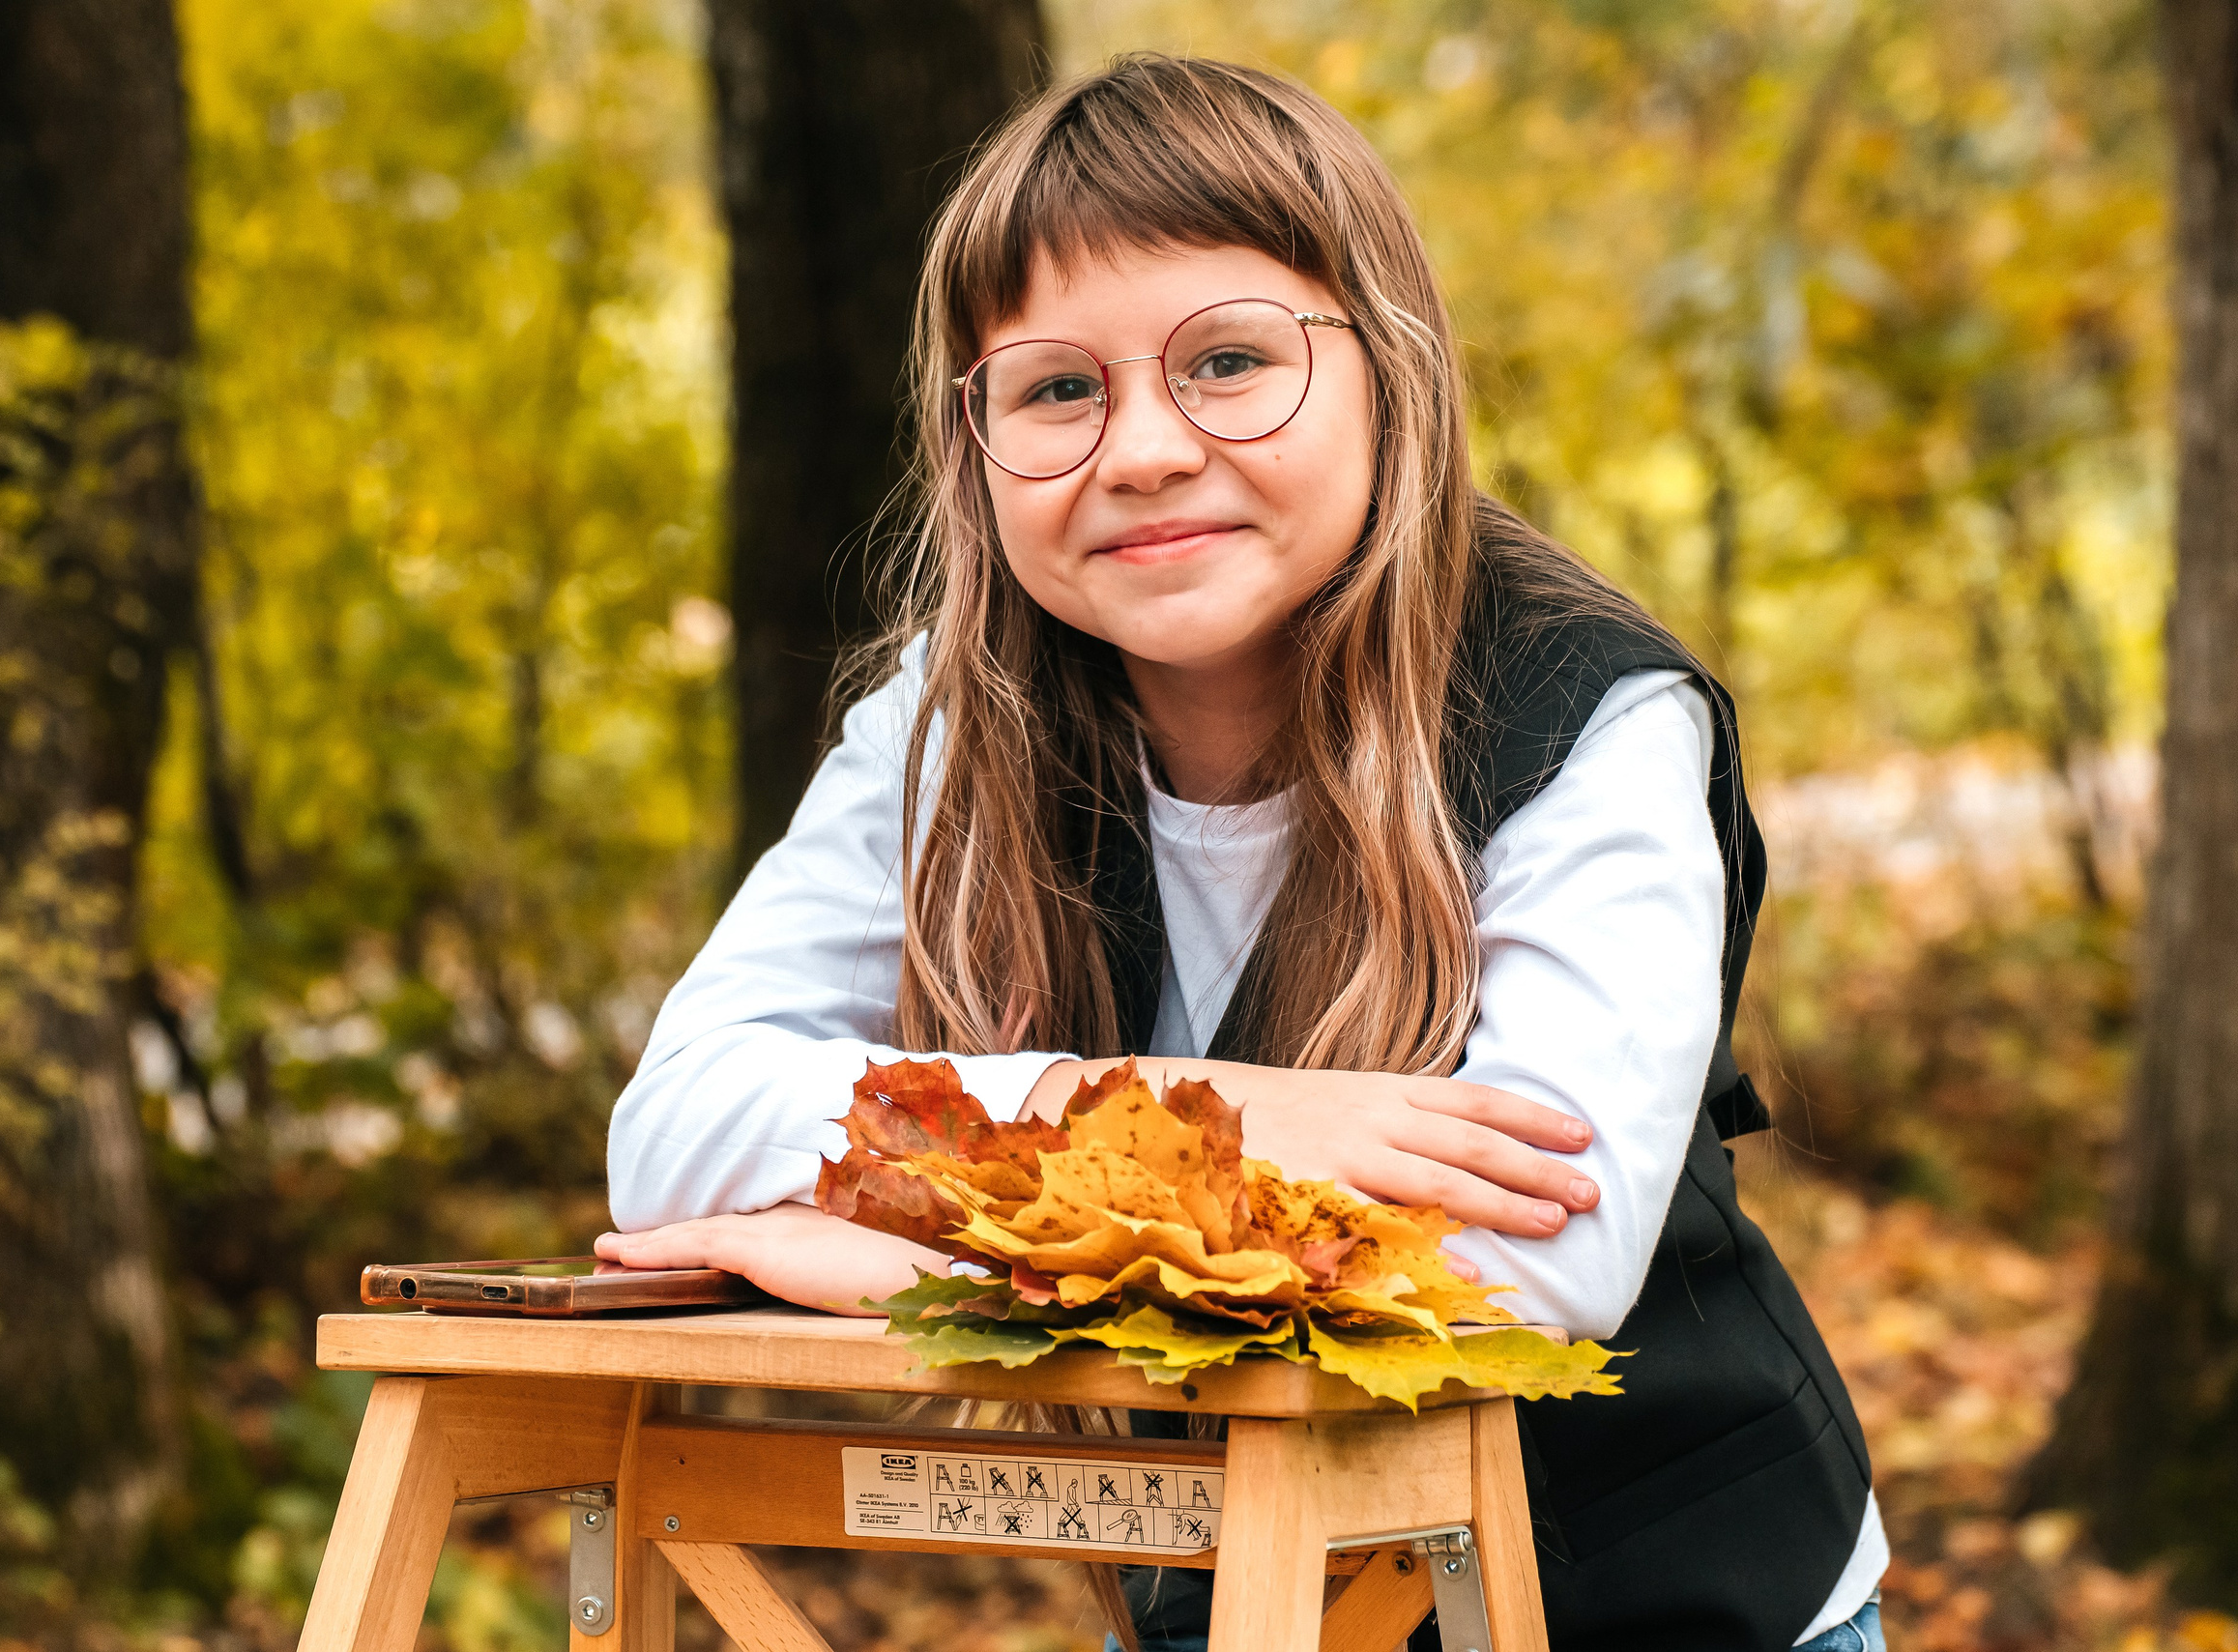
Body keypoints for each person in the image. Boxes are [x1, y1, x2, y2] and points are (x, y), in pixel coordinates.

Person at [595, 53, 1884, 1652]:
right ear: (975, 441)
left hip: (1675, 1605)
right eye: (1059, 388)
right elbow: (673, 1131)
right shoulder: (954, 711)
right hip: (1263, 1598)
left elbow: (1521, 1269)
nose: (1140, 447)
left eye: (1226, 361)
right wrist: (1202, 1122)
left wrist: (888, 1243)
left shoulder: (1587, 712)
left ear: (1387, 371)